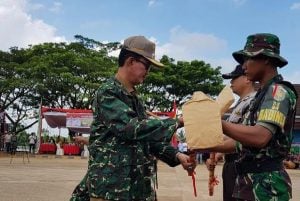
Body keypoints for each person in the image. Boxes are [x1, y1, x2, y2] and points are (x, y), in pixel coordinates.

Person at [70, 35, 196, 201]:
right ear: (130, 61)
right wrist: (178, 121)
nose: (148, 72)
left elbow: (146, 139)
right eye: (147, 66)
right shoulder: (108, 92)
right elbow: (131, 128)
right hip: (112, 190)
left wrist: (177, 156)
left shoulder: (134, 99)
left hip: (138, 189)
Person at [221, 33, 298, 200]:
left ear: (266, 59)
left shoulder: (277, 92)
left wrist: (217, 123)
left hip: (266, 186)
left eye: (248, 58)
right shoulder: (261, 96)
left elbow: (260, 137)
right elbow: (242, 141)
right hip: (249, 183)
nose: (244, 66)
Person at [206, 64, 256, 201]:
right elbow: (230, 135)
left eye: (234, 78)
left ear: (247, 78)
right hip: (231, 164)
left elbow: (244, 139)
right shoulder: (239, 104)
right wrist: (218, 155)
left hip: (243, 164)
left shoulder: (253, 102)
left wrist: (210, 147)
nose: (231, 82)